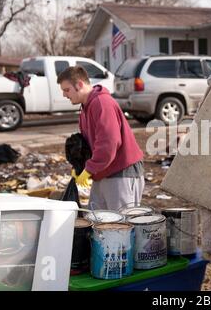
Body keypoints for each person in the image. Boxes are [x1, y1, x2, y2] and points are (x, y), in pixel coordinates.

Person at [57, 66, 145, 211]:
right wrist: (80, 167)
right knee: (98, 222)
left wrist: (89, 168)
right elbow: (88, 144)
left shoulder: (102, 103)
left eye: (67, 90)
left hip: (121, 171)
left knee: (120, 226)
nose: (64, 95)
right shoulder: (86, 107)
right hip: (104, 171)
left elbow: (108, 143)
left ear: (79, 84)